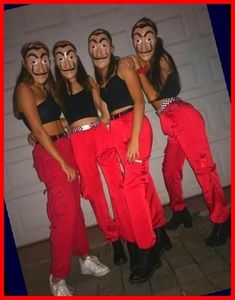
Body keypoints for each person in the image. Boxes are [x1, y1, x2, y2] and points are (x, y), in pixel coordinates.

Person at [13, 41, 110, 296]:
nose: (41, 64)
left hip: (65, 146)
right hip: (51, 155)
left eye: (44, 59)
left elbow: (58, 120)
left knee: (74, 211)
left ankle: (85, 259)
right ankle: (57, 277)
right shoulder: (24, 89)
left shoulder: (49, 88)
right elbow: (37, 128)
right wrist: (61, 160)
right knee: (63, 216)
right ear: (25, 63)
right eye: (34, 59)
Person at [129, 17, 230, 247]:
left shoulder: (161, 59)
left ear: (156, 39)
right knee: (170, 169)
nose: (143, 44)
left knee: (204, 169)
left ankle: (223, 219)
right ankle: (180, 211)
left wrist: (140, 71)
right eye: (137, 39)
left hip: (183, 116)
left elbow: (154, 96)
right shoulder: (144, 65)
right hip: (169, 120)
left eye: (148, 37)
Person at [88, 28, 171, 284]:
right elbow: (104, 116)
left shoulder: (123, 67)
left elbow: (138, 101)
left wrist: (134, 138)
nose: (99, 48)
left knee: (131, 186)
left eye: (104, 43)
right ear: (90, 50)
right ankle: (161, 234)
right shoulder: (98, 79)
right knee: (142, 181)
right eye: (94, 45)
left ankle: (148, 250)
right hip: (116, 129)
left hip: (134, 126)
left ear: (111, 47)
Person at [52, 40, 133, 266]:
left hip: (99, 134)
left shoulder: (88, 80)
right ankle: (114, 240)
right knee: (95, 194)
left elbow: (100, 105)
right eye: (60, 57)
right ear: (56, 63)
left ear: (76, 57)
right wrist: (43, 131)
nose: (66, 60)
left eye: (70, 54)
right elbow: (56, 117)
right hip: (78, 142)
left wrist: (106, 119)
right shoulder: (56, 89)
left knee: (117, 185)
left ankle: (129, 234)